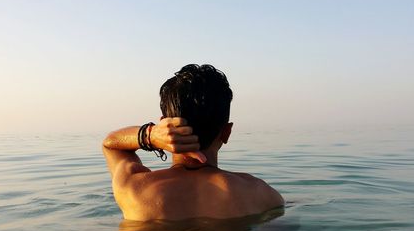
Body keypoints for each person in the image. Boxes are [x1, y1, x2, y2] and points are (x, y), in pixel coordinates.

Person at [102, 64, 284, 221]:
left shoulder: (134, 189)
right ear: (226, 132)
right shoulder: (260, 193)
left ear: (165, 125)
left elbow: (110, 144)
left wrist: (150, 135)